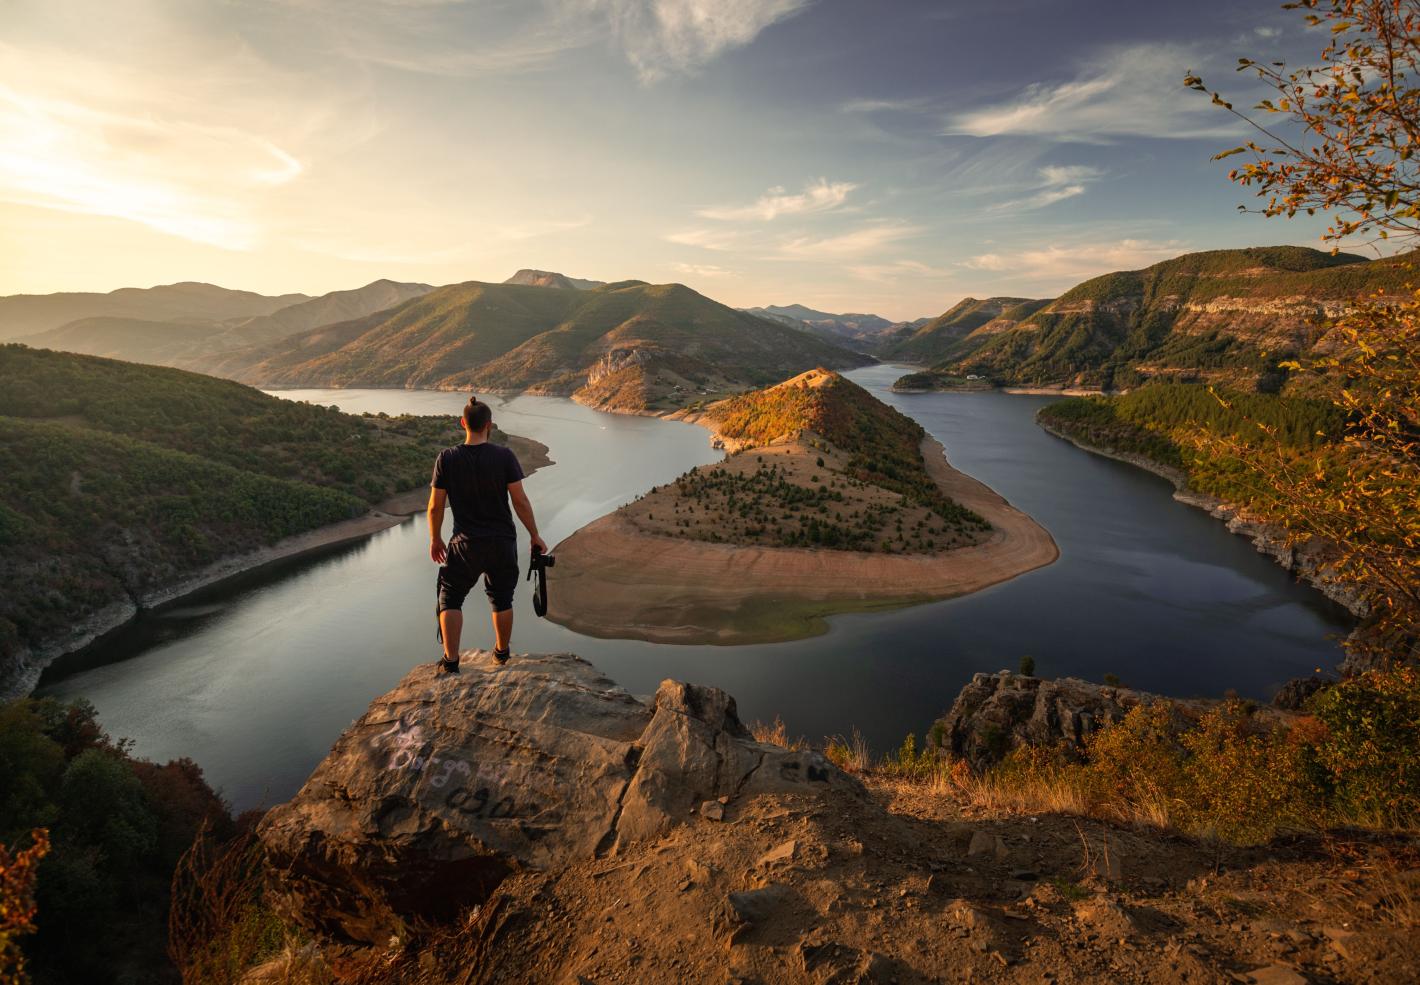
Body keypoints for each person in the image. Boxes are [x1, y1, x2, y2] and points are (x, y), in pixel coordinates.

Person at [427, 396, 546, 673]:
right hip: (502, 542)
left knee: (451, 597)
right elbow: (520, 501)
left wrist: (435, 539)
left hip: (465, 543)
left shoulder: (447, 458)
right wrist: (535, 535)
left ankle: (451, 661)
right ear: (489, 425)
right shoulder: (504, 456)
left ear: (463, 423)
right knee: (502, 598)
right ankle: (501, 655)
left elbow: (435, 506)